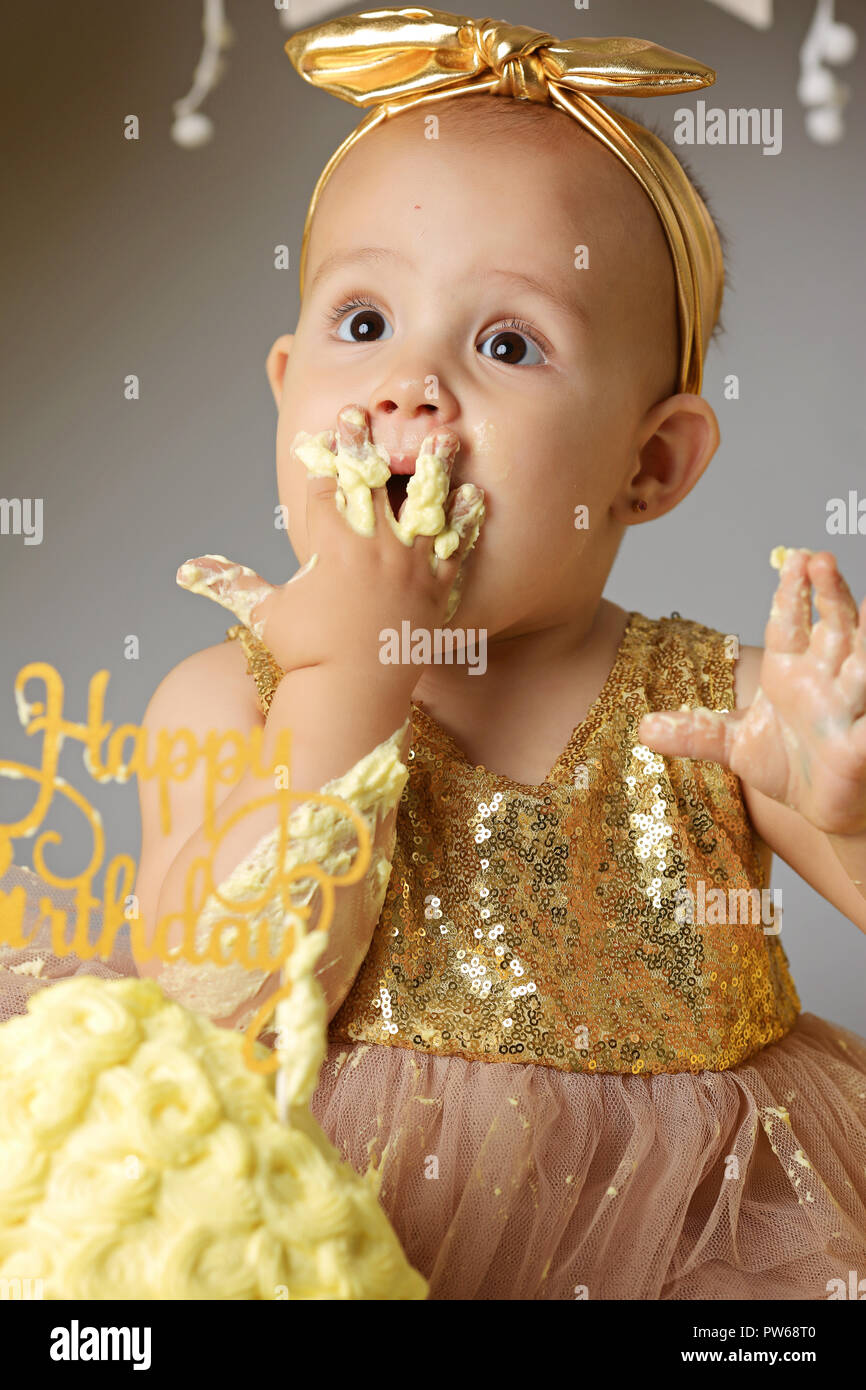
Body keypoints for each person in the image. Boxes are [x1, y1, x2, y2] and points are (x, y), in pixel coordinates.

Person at [2, 10, 865, 1300]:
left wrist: (845, 808)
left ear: (651, 464)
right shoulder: (225, 698)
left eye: (506, 343)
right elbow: (214, 999)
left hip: (687, 1254)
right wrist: (352, 665)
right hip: (324, 1239)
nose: (410, 390)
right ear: (287, 384)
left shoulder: (721, 715)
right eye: (364, 323)